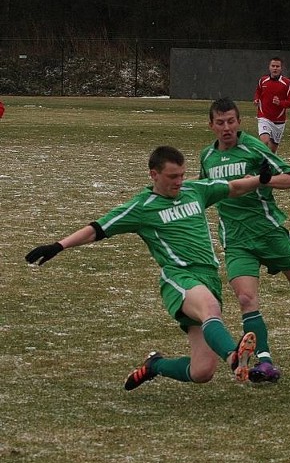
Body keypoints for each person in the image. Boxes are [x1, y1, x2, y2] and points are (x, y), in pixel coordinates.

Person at [25, 145, 274, 390]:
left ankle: (155, 365)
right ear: (154, 174)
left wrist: (260, 180)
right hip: (180, 278)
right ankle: (233, 357)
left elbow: (232, 187)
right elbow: (98, 229)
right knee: (210, 308)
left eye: (181, 175)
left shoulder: (195, 190)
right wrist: (58, 246)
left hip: (208, 278)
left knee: (201, 372)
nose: (179, 181)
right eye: (172, 177)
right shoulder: (142, 207)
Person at [199, 97, 290, 383]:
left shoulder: (253, 147)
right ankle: (265, 362)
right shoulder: (207, 157)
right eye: (220, 122)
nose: (226, 127)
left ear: (239, 122)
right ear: (211, 125)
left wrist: (264, 180)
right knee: (245, 298)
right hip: (237, 240)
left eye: (231, 121)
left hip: (268, 232)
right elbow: (205, 191)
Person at [253, 56, 290, 153]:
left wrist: (280, 103)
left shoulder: (287, 83)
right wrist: (256, 99)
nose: (275, 68)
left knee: (272, 151)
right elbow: (258, 92)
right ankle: (261, 165)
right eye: (273, 66)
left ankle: (269, 165)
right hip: (264, 117)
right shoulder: (263, 80)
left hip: (279, 121)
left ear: (281, 68)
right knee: (264, 142)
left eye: (277, 66)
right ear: (269, 67)